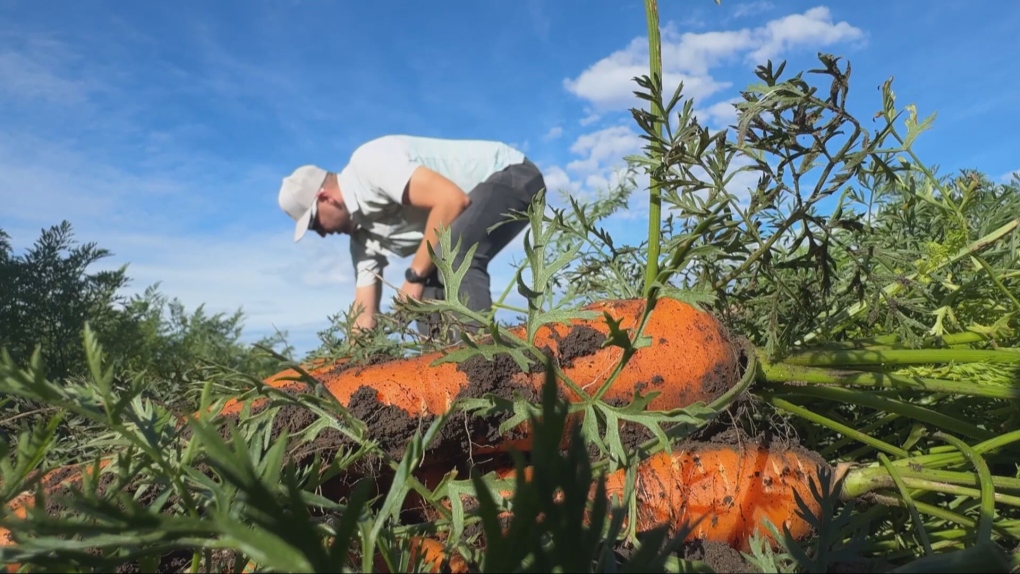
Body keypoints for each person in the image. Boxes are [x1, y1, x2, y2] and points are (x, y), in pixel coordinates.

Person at [277, 134, 546, 340]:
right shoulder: (363, 241)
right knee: (426, 294)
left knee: (450, 252)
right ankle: (444, 376)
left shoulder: (368, 166)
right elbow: (364, 311)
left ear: (325, 198)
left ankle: (487, 366)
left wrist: (413, 276)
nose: (322, 234)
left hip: (512, 176)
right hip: (471, 206)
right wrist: (353, 358)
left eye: (315, 224)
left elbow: (451, 200)